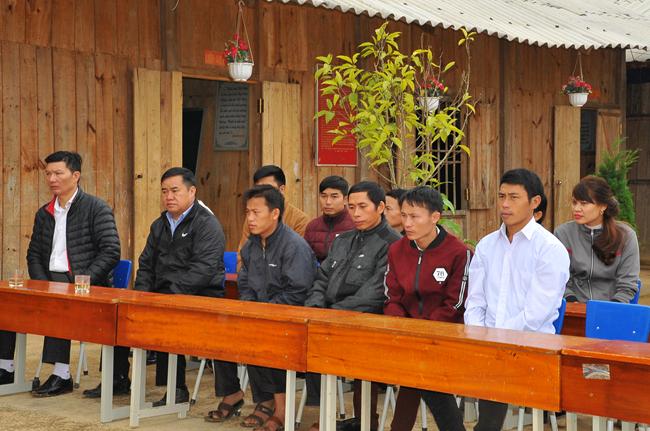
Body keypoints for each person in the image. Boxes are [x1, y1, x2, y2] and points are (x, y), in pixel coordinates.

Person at [0, 151, 122, 397]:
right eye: (48, 174)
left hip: (83, 283)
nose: (52, 179)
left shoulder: (96, 208)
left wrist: (82, 280)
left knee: (59, 301)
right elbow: (34, 253)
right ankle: (5, 367)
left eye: (58, 173)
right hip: (49, 280)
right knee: (7, 299)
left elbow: (111, 251)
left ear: (75, 176)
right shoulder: (44, 212)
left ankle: (62, 374)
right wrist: (41, 283)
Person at [464, 168, 570, 430]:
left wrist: (495, 341)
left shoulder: (549, 249)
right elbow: (475, 302)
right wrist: (479, 336)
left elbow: (536, 314)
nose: (505, 204)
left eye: (513, 197)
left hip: (530, 345)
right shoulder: (487, 245)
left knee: (492, 383)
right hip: (486, 344)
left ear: (534, 202)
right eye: (501, 196)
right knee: (439, 372)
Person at [207, 185, 315, 430]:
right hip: (260, 315)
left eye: (256, 212)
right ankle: (238, 394)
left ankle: (281, 410)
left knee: (264, 338)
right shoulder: (251, 246)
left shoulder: (294, 246)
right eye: (247, 212)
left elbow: (298, 292)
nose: (250, 218)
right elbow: (244, 282)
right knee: (220, 334)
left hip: (291, 319)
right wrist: (250, 308)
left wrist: (265, 312)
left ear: (275, 213)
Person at [306, 181, 401, 431]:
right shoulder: (343, 239)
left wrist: (331, 315)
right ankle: (324, 417)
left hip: (366, 322)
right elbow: (322, 278)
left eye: (362, 207)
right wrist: (314, 308)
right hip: (328, 319)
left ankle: (364, 422)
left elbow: (373, 294)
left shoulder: (392, 244)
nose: (355, 213)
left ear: (380, 207)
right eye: (351, 207)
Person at [132, 167, 226, 406]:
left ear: (192, 191)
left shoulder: (206, 224)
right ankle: (120, 380)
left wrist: (169, 296)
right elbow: (146, 264)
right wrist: (141, 296)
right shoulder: (160, 224)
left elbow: (203, 270)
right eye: (164, 191)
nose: (169, 197)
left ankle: (177, 388)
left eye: (175, 191)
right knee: (123, 314)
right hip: (164, 296)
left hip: (200, 295)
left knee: (166, 319)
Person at [384, 186, 470, 431]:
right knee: (417, 371)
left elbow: (455, 303)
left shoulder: (458, 252)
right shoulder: (396, 250)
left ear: (435, 217)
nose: (407, 223)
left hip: (445, 335)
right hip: (405, 334)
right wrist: (405, 327)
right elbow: (392, 296)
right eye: (404, 215)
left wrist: (423, 331)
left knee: (419, 372)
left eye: (414, 216)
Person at [555, 175, 640, 303]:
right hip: (572, 305)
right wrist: (572, 302)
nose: (576, 208)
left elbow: (628, 283)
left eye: (584, 203)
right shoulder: (563, 233)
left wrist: (608, 309)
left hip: (613, 306)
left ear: (603, 206)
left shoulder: (626, 236)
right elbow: (560, 278)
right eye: (574, 202)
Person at [237, 165, 309, 256]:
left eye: (267, 190)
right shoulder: (253, 218)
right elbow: (242, 256)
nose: (262, 195)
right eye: (258, 190)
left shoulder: (300, 220)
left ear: (282, 189)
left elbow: (298, 256)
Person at [304, 175, 355, 263]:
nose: (328, 202)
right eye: (323, 196)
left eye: (334, 197)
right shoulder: (312, 226)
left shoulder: (355, 225)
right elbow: (305, 258)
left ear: (345, 200)